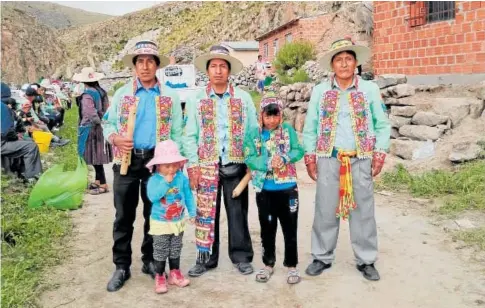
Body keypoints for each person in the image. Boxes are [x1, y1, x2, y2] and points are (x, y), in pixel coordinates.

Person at [302, 38, 391, 281]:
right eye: (339, 59)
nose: (343, 64)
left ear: (355, 63)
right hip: (329, 159)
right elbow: (310, 126)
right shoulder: (321, 91)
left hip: (360, 159)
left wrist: (379, 154)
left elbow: (382, 125)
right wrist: (310, 157)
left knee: (363, 210)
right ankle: (322, 256)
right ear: (332, 64)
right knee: (325, 209)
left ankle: (366, 259)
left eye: (348, 59)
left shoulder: (369, 89)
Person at [102, 39, 183, 292]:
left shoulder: (169, 96)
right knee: (123, 215)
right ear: (134, 66)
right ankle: (121, 266)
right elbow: (108, 123)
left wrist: (173, 164)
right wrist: (115, 138)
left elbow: (177, 132)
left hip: (156, 164)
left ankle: (150, 260)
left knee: (154, 214)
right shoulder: (123, 94)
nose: (145, 66)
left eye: (150, 61)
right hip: (126, 161)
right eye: (140, 61)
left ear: (157, 65)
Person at [183, 45, 258, 277]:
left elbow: (253, 131)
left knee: (237, 212)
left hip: (236, 164)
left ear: (229, 70)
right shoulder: (197, 99)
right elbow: (190, 134)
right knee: (206, 213)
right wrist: (193, 166)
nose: (218, 71)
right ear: (207, 70)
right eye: (213, 66)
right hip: (207, 164)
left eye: (222, 66)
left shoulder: (243, 98)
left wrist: (253, 163)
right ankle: (205, 258)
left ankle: (242, 256)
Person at [243, 93, 304, 284]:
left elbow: (298, 150)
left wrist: (285, 158)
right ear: (260, 115)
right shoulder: (254, 134)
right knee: (267, 228)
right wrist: (268, 162)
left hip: (288, 190)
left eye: (275, 115)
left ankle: (292, 266)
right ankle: (268, 264)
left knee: (290, 228)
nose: (271, 120)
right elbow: (249, 156)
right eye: (267, 116)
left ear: (281, 115)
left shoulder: (287, 130)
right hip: (265, 191)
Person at [145, 140, 196, 294]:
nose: (171, 169)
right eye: (167, 166)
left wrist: (192, 212)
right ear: (158, 166)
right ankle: (160, 276)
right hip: (161, 223)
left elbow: (188, 196)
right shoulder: (155, 180)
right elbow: (153, 197)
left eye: (174, 165)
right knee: (160, 250)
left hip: (177, 221)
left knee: (175, 249)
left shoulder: (181, 178)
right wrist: (166, 183)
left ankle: (175, 273)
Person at [73, 67, 113, 195]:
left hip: (91, 128)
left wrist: (97, 122)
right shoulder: (101, 91)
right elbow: (107, 108)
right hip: (100, 126)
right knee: (98, 155)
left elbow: (89, 112)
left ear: (83, 81)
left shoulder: (87, 95)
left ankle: (103, 184)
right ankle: (97, 180)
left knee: (94, 157)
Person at [1, 82, 43, 184]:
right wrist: (16, 136)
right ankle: (32, 178)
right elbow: (6, 133)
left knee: (25, 141)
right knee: (31, 146)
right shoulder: (3, 107)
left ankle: (19, 171)